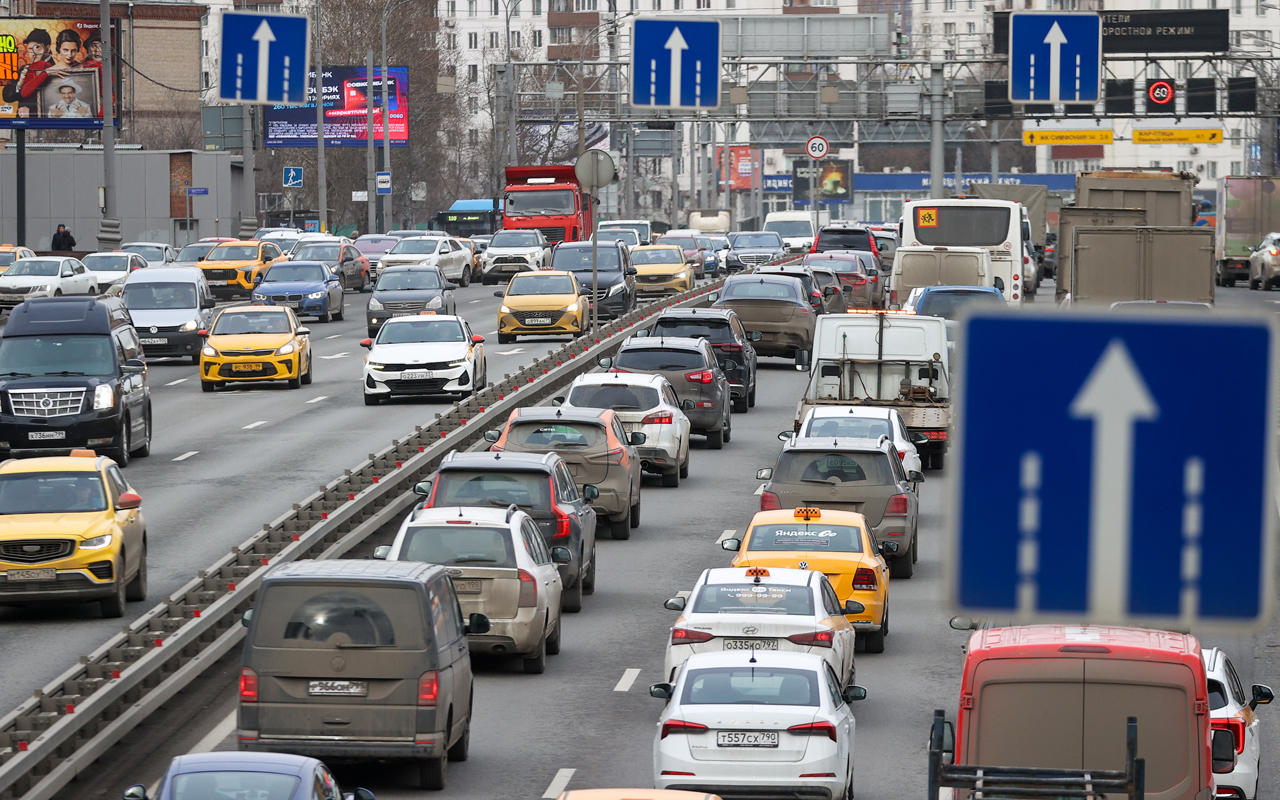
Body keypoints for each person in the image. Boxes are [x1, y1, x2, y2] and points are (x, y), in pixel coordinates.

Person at [0, 29, 53, 119]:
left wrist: (33, 113)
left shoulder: (57, 69)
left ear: (48, 48)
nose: (33, 53)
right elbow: (7, 97)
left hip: (46, 124)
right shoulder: (24, 69)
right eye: (30, 49)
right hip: (22, 124)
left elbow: (62, 102)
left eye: (37, 47)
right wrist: (19, 84)